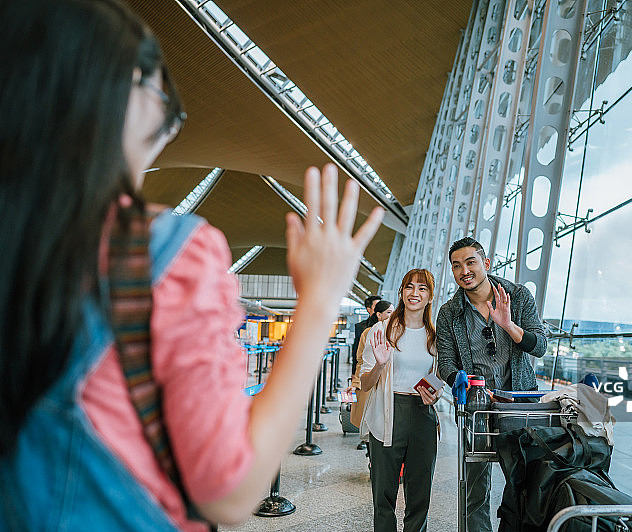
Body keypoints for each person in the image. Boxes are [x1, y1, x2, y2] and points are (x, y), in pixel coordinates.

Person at [0, 1, 383, 530]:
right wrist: (319, 301)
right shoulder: (165, 252)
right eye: (163, 103)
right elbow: (230, 490)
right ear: (112, 90)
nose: (168, 131)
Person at [436, 237, 547, 532]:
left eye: (470, 262)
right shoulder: (449, 313)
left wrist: (509, 325)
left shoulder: (518, 297)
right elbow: (445, 362)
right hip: (478, 409)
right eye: (457, 266)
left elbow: (540, 346)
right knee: (475, 488)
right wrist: (456, 379)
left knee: (524, 484)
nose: (464, 271)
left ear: (485, 263)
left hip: (519, 407)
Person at [360, 270, 441, 532]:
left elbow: (439, 378)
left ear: (430, 296)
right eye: (409, 287)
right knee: (383, 494)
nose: (414, 293)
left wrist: (437, 393)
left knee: (420, 495)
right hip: (388, 412)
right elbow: (365, 384)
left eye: (422, 288)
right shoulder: (382, 330)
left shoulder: (436, 336)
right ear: (401, 292)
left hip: (423, 415)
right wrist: (380, 366)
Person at [349, 300, 394, 450]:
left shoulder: (396, 331)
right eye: (389, 312)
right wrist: (355, 382)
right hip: (369, 381)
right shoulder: (368, 332)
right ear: (378, 315)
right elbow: (360, 360)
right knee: (369, 419)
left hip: (386, 385)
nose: (392, 316)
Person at [354, 295, 383, 368]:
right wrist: (354, 372)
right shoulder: (361, 327)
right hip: (366, 368)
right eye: (376, 306)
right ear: (368, 309)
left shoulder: (386, 327)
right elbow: (356, 351)